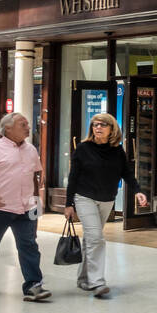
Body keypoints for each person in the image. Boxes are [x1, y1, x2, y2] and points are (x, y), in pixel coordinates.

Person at [63, 112, 147, 298]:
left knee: (91, 239)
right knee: (96, 237)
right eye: (95, 124)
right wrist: (68, 203)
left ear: (112, 129)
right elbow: (73, 177)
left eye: (102, 124)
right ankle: (97, 282)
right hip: (84, 197)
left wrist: (138, 191)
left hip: (107, 198)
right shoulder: (83, 149)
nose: (98, 127)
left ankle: (83, 279)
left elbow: (126, 173)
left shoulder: (118, 151)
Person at [0, 112, 49, 301]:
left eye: (28, 123)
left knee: (29, 245)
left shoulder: (31, 150)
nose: (28, 127)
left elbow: (36, 177)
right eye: (23, 124)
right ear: (7, 128)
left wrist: (37, 204)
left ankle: (33, 285)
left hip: (26, 207)